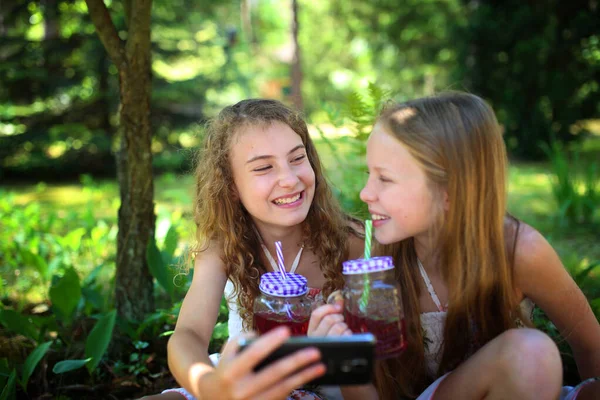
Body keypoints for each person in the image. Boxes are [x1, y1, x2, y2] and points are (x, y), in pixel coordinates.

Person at [308, 92, 600, 400]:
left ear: (450, 191)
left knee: (533, 357)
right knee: (531, 353)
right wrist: (342, 362)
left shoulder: (517, 251)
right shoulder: (377, 260)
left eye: (385, 179)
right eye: (370, 174)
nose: (366, 193)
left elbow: (591, 346)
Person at [143, 99, 364, 400]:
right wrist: (210, 385)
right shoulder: (224, 245)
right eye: (263, 167)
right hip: (243, 383)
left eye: (297, 159)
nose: (289, 179)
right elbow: (189, 335)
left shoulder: (350, 242)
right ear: (231, 186)